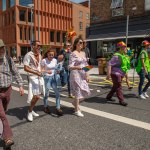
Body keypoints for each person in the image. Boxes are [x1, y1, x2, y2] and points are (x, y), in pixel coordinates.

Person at [0, 39, 24, 148]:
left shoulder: (9, 60)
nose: (1, 50)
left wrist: (21, 86)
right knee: (3, 115)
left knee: (3, 111)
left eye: (2, 48)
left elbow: (16, 73)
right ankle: (7, 138)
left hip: (8, 90)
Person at [69, 37, 91, 117]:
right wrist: (77, 67)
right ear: (76, 44)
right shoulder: (73, 53)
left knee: (84, 91)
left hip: (82, 74)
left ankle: (75, 103)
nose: (82, 44)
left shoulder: (83, 53)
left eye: (82, 43)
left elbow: (86, 65)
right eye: (80, 42)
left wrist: (87, 75)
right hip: (75, 74)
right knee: (78, 90)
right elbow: (70, 66)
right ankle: (76, 110)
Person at [24, 40, 45, 122]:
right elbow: (25, 68)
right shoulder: (28, 55)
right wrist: (36, 72)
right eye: (38, 45)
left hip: (39, 77)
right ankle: (29, 112)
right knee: (36, 96)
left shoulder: (39, 55)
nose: (39, 47)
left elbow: (40, 66)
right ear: (33, 46)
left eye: (40, 46)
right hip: (33, 78)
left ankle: (31, 109)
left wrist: (43, 71)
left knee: (38, 95)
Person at [106, 41, 128, 106]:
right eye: (124, 47)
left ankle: (108, 97)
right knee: (118, 86)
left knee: (115, 86)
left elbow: (125, 67)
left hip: (121, 74)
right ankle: (121, 100)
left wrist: (127, 78)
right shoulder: (116, 56)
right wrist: (108, 74)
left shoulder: (124, 56)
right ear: (120, 48)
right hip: (115, 74)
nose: (125, 49)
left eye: (125, 47)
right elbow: (109, 64)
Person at [41, 49, 63, 116]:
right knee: (46, 93)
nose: (51, 56)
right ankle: (46, 106)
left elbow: (56, 68)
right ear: (47, 54)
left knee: (57, 93)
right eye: (50, 54)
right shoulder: (44, 60)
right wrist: (47, 71)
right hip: (47, 78)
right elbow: (41, 70)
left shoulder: (55, 60)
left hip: (54, 78)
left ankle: (58, 108)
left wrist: (58, 71)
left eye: (52, 55)